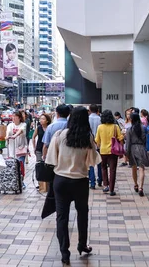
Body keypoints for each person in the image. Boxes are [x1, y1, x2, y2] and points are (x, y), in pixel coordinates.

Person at [45, 106, 97, 264]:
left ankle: (64, 252)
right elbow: (93, 161)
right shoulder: (87, 137)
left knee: (62, 217)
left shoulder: (59, 135)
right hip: (80, 181)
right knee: (82, 213)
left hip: (61, 181)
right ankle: (82, 245)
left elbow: (50, 159)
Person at [95, 110, 124, 196]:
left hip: (103, 151)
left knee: (103, 168)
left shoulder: (100, 127)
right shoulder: (115, 127)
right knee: (112, 170)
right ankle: (111, 189)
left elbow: (97, 140)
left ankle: (105, 186)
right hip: (113, 151)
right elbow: (120, 138)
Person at [126, 112, 149, 197]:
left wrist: (127, 153)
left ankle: (135, 184)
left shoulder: (129, 129)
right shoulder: (144, 128)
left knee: (134, 168)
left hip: (133, 149)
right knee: (142, 169)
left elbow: (128, 143)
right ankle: (141, 188)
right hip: (142, 148)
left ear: (131, 119)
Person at [6, 111, 28, 189]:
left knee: (20, 165)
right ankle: (14, 182)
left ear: (19, 118)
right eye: (13, 116)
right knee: (13, 166)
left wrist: (15, 135)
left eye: (15, 116)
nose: (14, 118)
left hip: (20, 149)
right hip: (12, 149)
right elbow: (8, 132)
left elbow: (21, 130)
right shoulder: (10, 125)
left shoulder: (23, 124)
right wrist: (7, 137)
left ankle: (21, 181)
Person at [88, 104, 103, 189]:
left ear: (90, 109)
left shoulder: (87, 119)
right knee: (100, 162)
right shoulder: (100, 119)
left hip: (90, 143)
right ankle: (100, 179)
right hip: (99, 144)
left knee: (90, 163)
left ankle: (92, 182)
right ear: (97, 110)